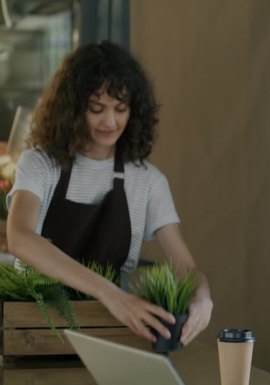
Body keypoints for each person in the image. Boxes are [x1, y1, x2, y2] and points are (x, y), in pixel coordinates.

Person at [6, 41, 213, 346]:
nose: (110, 122)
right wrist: (109, 293)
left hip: (108, 330)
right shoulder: (41, 163)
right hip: (34, 328)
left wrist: (203, 297)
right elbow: (20, 237)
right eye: (96, 109)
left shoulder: (147, 181)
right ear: (73, 109)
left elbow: (185, 268)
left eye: (120, 108)